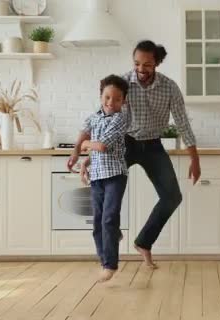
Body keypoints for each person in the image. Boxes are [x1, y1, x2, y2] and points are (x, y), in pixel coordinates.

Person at [70, 40, 201, 268]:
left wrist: (194, 158)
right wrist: (89, 157)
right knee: (105, 191)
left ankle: (144, 242)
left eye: (147, 64)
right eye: (137, 63)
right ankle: (112, 235)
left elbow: (182, 123)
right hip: (124, 143)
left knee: (172, 197)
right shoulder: (123, 83)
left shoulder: (169, 88)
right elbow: (104, 118)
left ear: (156, 63)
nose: (141, 69)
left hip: (152, 146)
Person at [78, 74, 129, 282]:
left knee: (108, 218)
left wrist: (85, 144)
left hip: (115, 176)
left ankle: (110, 265)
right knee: (98, 222)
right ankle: (105, 256)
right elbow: (94, 148)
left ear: (123, 101)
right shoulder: (94, 118)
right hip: (97, 177)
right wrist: (85, 161)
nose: (111, 102)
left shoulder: (120, 119)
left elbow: (101, 146)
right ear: (101, 97)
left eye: (117, 99)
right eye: (107, 97)